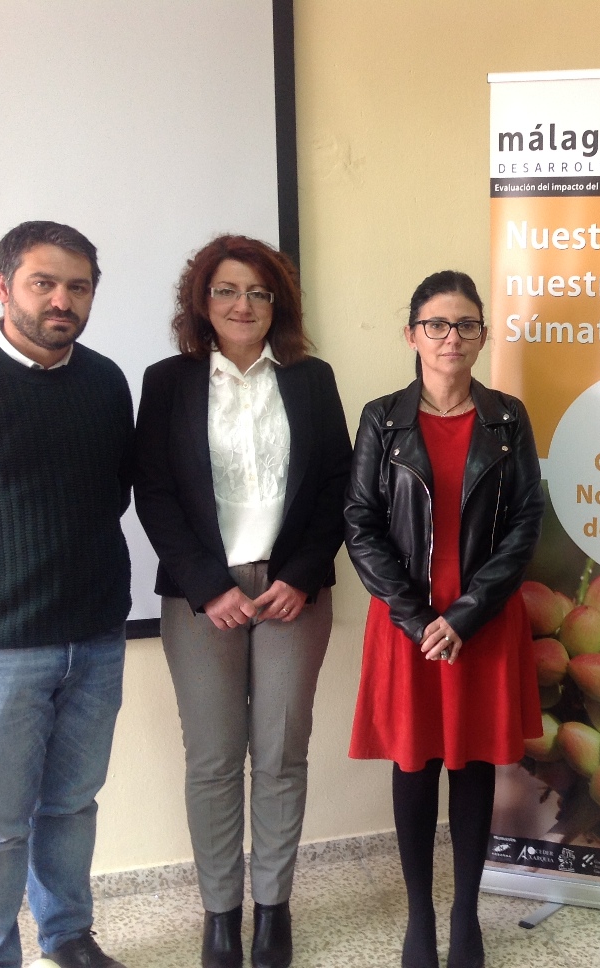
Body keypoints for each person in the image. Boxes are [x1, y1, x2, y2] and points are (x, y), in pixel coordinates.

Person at [133, 235, 351, 968]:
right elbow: (153, 492)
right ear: (202, 300)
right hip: (204, 595)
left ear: (277, 304)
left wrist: (303, 573)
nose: (243, 304)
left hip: (293, 590)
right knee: (215, 759)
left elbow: (339, 484)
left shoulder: (311, 379)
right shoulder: (167, 381)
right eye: (227, 290)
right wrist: (207, 584)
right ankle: (221, 914)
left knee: (282, 753)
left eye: (259, 292)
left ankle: (272, 911)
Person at [345, 270, 544, 968]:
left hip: (481, 621)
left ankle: (465, 918)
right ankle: (419, 919)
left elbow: (525, 523)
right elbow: (360, 522)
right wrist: (417, 616)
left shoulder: (508, 417)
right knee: (415, 761)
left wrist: (465, 613)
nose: (450, 337)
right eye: (436, 324)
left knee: (472, 762)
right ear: (412, 335)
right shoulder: (382, 418)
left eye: (465, 324)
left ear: (482, 335)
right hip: (410, 624)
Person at [0, 222, 132, 968]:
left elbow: (113, 492)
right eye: (44, 283)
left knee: (71, 806)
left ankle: (67, 935)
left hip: (96, 636)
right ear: (4, 287)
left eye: (78, 286)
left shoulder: (105, 381)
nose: (62, 300)